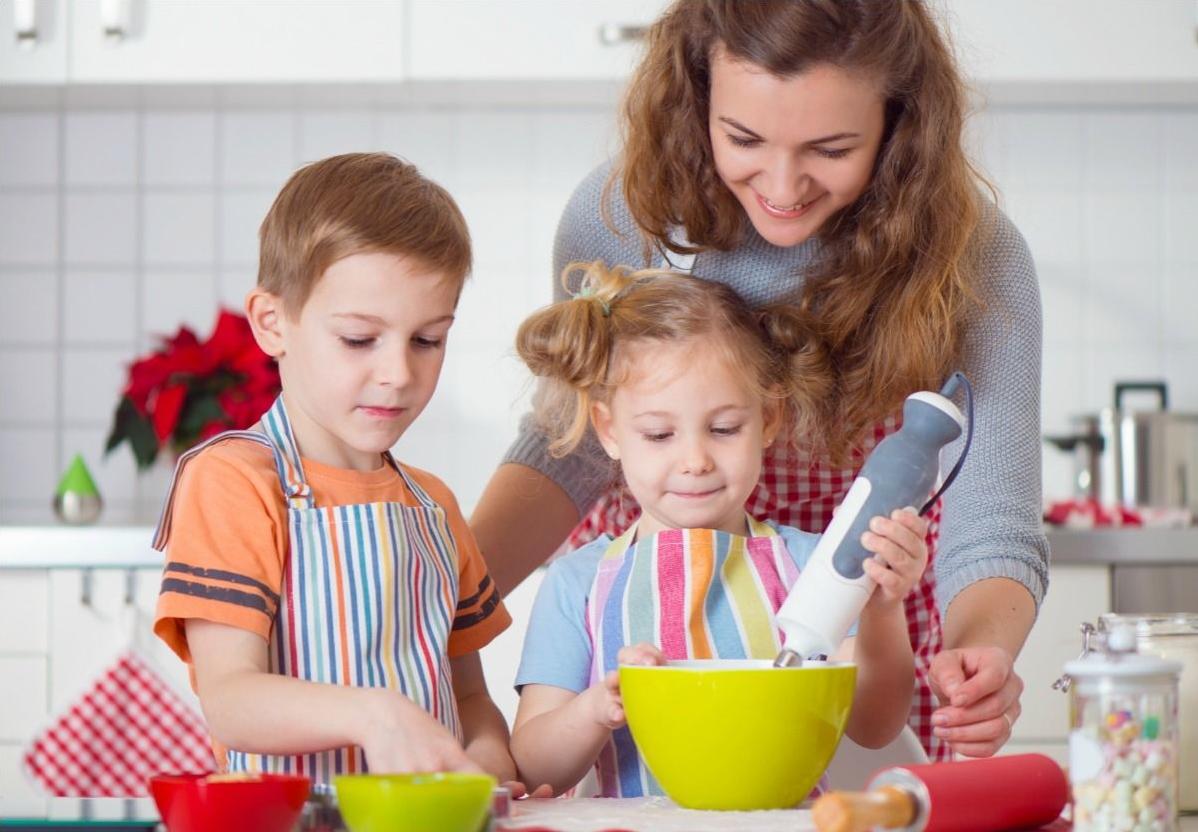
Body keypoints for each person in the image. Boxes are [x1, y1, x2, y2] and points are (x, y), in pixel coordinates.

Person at [472, 0, 1047, 761]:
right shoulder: (622, 218)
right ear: (696, 96)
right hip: (657, 620)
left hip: (852, 629)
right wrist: (442, 606)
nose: (782, 184)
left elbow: (993, 512)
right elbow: (569, 444)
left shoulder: (972, 257)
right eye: (742, 138)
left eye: (831, 148)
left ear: (900, 125)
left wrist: (980, 655)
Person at [151, 152, 516, 783]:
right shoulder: (235, 482)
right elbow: (231, 700)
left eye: (427, 340)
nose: (399, 373)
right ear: (273, 323)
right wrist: (376, 716)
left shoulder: (432, 507)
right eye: (358, 338)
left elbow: (472, 702)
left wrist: (486, 763)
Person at [508, 262, 929, 796]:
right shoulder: (576, 583)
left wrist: (882, 611)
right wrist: (598, 706)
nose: (695, 461)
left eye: (724, 428)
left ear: (769, 419)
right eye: (659, 434)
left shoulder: (813, 566)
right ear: (610, 431)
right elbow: (534, 767)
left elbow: (875, 725)